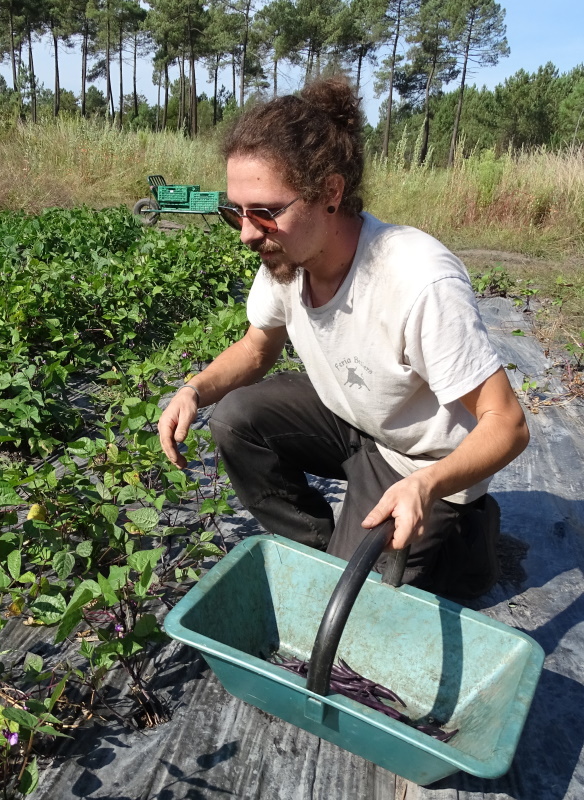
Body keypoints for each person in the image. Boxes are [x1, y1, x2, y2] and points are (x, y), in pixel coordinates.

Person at [156, 77, 530, 597]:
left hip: (419, 458)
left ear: (330, 192)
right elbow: (256, 348)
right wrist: (195, 389)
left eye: (264, 211)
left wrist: (426, 484)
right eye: (236, 211)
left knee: (359, 611)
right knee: (236, 419)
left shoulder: (417, 279)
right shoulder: (286, 255)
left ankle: (466, 537)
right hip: (352, 417)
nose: (246, 232)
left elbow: (508, 425)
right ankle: (323, 547)